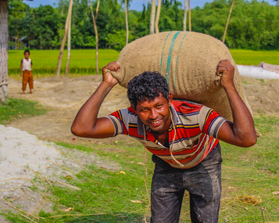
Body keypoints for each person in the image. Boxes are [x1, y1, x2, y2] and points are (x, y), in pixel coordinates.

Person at [71, 59, 257, 223]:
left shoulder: (195, 114)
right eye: (144, 109)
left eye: (159, 106)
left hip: (204, 163)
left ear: (169, 100)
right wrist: (106, 84)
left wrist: (229, 86)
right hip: (166, 166)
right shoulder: (130, 119)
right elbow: (82, 128)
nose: (154, 116)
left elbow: (247, 138)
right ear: (134, 109)